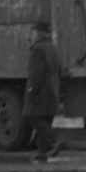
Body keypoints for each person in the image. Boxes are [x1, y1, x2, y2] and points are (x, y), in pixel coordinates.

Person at [23, 20, 63, 163]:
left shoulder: (37, 49)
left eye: (33, 33)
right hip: (52, 91)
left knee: (32, 117)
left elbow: (35, 74)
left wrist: (31, 91)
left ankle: (56, 138)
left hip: (41, 92)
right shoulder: (53, 47)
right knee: (45, 120)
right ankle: (42, 152)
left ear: (39, 34)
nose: (31, 36)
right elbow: (60, 71)